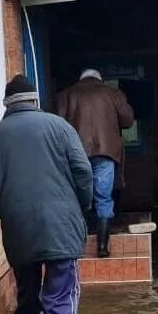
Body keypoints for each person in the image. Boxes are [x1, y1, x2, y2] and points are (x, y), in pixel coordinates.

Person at [0, 75, 93, 314]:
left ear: (6, 105)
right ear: (35, 100)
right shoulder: (60, 128)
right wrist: (81, 209)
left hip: (18, 229)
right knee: (60, 295)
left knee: (28, 293)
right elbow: (83, 172)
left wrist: (10, 212)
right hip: (62, 226)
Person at [57, 70, 134, 258]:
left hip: (76, 154)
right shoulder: (113, 94)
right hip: (105, 153)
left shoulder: (66, 95)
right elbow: (128, 121)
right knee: (104, 197)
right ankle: (102, 248)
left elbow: (58, 125)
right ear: (100, 79)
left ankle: (78, 247)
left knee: (78, 199)